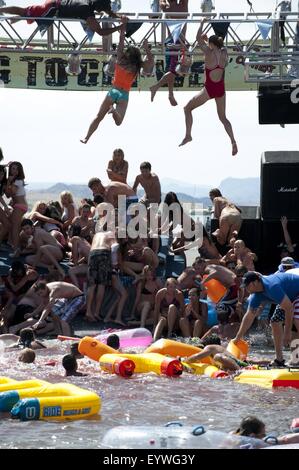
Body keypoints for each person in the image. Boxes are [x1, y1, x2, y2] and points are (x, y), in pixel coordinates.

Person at [81, 26, 153, 143]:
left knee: (99, 117)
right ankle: (113, 111)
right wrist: (147, 49)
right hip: (124, 94)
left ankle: (87, 137)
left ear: (127, 53)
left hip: (113, 91)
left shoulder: (121, 58)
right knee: (118, 122)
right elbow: (151, 63)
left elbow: (120, 42)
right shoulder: (137, 65)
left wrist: (123, 30)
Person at [179, 18, 238, 156]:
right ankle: (233, 141)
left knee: (187, 108)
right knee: (223, 118)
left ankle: (188, 135)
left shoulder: (208, 53)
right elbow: (214, 46)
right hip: (220, 89)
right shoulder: (224, 52)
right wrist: (208, 41)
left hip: (209, 90)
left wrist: (201, 23)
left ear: (211, 44)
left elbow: (197, 37)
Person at [233, 270, 299, 367]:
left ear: (255, 282)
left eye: (247, 286)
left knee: (296, 322)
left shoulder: (272, 286)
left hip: (296, 295)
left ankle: (296, 359)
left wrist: (287, 333)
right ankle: (279, 359)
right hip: (288, 299)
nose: (246, 289)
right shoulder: (256, 295)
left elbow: (289, 309)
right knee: (275, 322)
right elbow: (249, 316)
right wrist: (238, 337)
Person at [0, 0, 128, 36]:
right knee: (24, 11)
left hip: (54, 8)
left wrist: (119, 16)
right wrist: (120, 27)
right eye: (103, 9)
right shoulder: (86, 10)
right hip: (50, 8)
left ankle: (15, 18)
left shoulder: (90, 3)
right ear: (99, 8)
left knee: (27, 15)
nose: (104, 12)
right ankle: (1, 10)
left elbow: (108, 10)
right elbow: (100, 32)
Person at [150, 0, 189, 107]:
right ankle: (159, 89)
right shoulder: (183, 6)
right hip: (177, 42)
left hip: (172, 42)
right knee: (172, 71)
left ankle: (168, 93)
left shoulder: (166, 8)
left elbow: (161, 2)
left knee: (171, 70)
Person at [85, 231, 127, 325]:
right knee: (101, 284)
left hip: (92, 254)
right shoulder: (112, 235)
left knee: (92, 285)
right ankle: (96, 312)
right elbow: (114, 248)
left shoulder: (97, 234)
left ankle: (88, 312)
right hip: (104, 253)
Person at [181, 334, 247, 371]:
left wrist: (184, 361)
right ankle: (239, 369)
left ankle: (240, 370)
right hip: (237, 363)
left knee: (217, 357)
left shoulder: (210, 347)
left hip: (237, 365)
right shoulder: (220, 348)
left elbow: (197, 357)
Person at [5, 161, 28, 255]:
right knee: (10, 225)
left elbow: (11, 193)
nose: (14, 171)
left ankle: (16, 249)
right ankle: (13, 244)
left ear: (20, 170)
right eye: (12, 168)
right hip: (19, 206)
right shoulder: (14, 180)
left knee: (15, 227)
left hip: (20, 206)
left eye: (16, 169)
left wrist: (8, 182)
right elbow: (7, 195)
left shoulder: (18, 180)